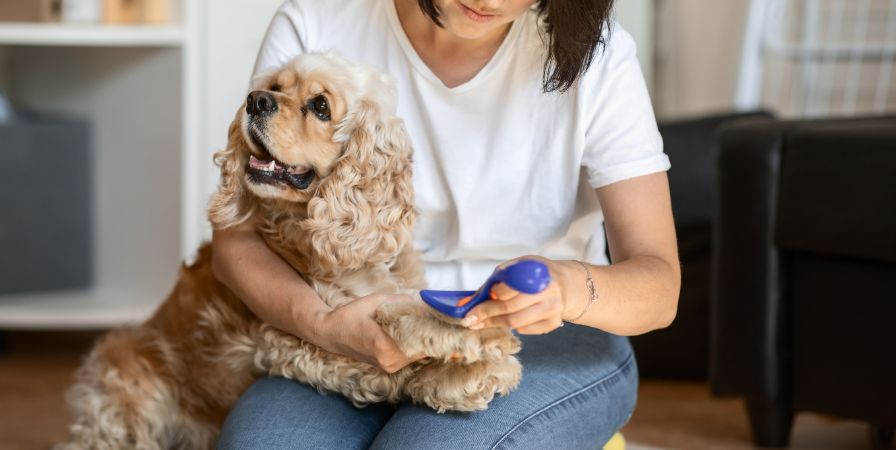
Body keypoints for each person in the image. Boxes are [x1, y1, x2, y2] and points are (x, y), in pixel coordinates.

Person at [213, 0, 680, 448]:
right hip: (351, 321)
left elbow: (659, 284)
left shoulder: (599, 58)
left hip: (548, 334)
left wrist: (568, 289)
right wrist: (325, 326)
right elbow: (235, 240)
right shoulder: (316, 21)